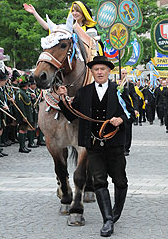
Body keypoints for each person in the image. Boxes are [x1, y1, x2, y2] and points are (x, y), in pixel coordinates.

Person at [57, 55, 135, 237]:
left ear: (108, 71)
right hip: (93, 145)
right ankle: (107, 219)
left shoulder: (119, 91)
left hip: (115, 144)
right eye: (96, 69)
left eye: (103, 69)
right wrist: (62, 99)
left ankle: (115, 212)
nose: (99, 72)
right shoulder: (83, 92)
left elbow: (132, 114)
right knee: (99, 181)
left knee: (120, 181)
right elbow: (71, 115)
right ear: (92, 72)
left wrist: (120, 119)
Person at [23, 1, 104, 55]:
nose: (74, 13)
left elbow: (96, 49)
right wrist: (34, 12)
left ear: (83, 13)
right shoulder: (68, 28)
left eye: (77, 11)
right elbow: (48, 27)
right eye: (73, 11)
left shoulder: (90, 29)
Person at [118, 68, 138, 156]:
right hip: (118, 110)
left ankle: (126, 148)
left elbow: (134, 97)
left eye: (125, 73)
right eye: (122, 73)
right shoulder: (114, 83)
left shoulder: (129, 85)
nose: (124, 75)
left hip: (127, 110)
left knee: (127, 129)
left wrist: (136, 109)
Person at [14, 74, 33, 153]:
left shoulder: (24, 92)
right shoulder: (19, 93)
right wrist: (24, 116)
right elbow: (20, 106)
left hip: (27, 114)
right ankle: (21, 147)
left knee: (25, 129)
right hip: (23, 115)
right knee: (22, 129)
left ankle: (24, 146)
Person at [0, 68, 9, 160]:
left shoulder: (2, 89)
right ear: (1, 80)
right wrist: (2, 105)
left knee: (0, 130)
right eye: (5, 80)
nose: (6, 82)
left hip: (1, 112)